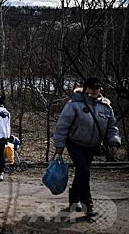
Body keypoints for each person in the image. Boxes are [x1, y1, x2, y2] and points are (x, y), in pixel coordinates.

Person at [53, 77, 120, 217]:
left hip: (92, 146)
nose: (94, 90)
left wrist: (113, 142)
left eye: (97, 87)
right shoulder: (74, 104)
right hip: (75, 144)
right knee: (84, 170)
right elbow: (62, 125)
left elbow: (111, 127)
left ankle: (74, 199)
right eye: (91, 87)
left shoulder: (106, 107)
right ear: (85, 88)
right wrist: (59, 145)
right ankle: (88, 206)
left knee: (82, 172)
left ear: (100, 89)